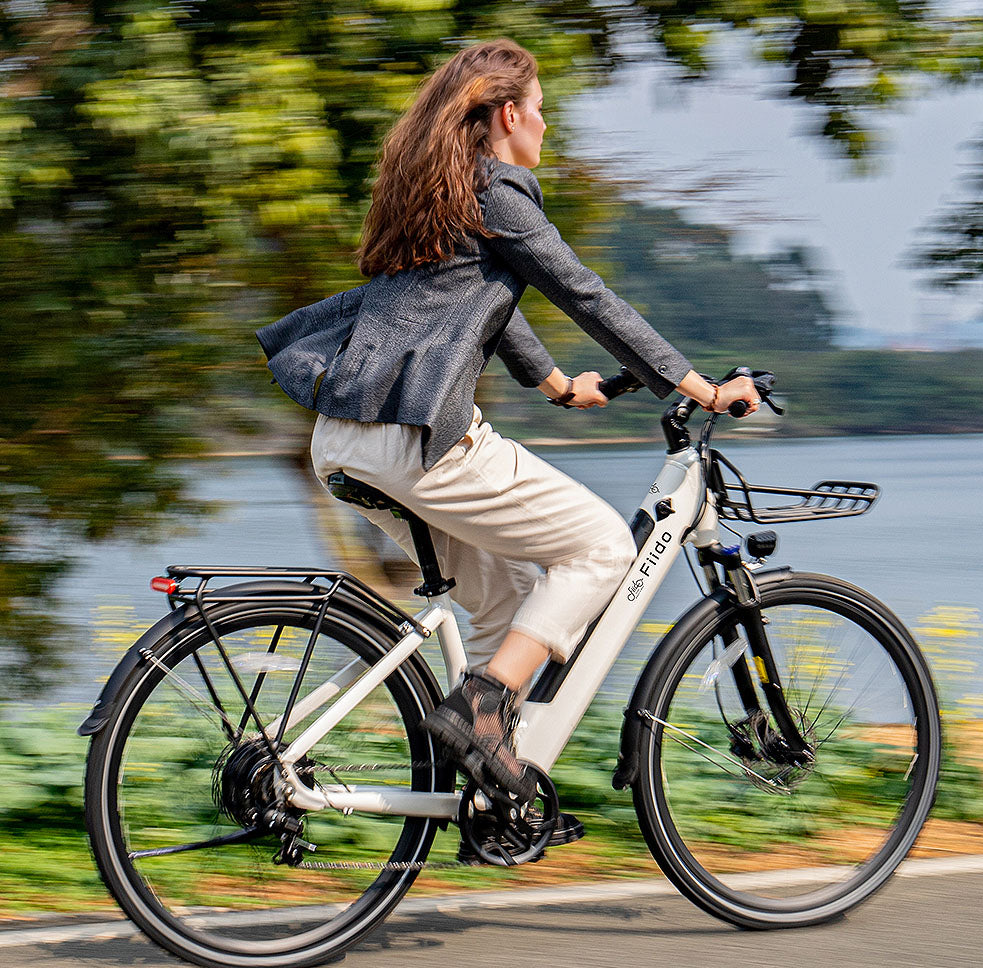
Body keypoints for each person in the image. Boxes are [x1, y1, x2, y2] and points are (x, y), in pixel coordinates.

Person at [256, 40, 759, 834]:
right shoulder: (500, 191)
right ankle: (479, 712)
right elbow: (586, 295)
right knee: (600, 547)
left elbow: (484, 297)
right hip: (420, 440)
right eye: (540, 108)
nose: (548, 124)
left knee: (507, 609)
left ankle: (497, 792)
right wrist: (701, 388)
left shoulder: (437, 194)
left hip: (344, 441)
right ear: (507, 114)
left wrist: (557, 384)